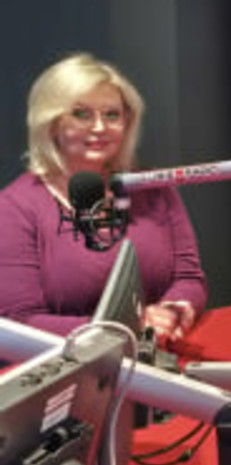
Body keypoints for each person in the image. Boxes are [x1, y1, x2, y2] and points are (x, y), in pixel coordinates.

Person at [0, 52, 207, 344]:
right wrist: (123, 328)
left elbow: (188, 278)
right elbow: (18, 320)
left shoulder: (152, 186)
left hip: (160, 354)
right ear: (51, 123)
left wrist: (171, 311)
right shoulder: (13, 208)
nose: (99, 127)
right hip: (72, 362)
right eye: (81, 114)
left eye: (112, 115)